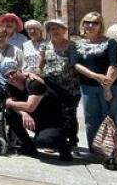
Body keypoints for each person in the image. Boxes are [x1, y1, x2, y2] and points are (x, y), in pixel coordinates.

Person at [72, 12, 117, 159]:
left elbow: (114, 66)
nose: (90, 25)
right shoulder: (77, 44)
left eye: (95, 23)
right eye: (87, 22)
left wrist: (106, 87)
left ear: (101, 25)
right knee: (91, 120)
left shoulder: (110, 43)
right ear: (82, 24)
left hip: (113, 87)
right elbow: (75, 64)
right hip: (88, 87)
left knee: (116, 119)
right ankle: (96, 153)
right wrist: (94, 75)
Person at [4, 61, 73, 161]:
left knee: (44, 141)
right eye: (7, 76)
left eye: (12, 73)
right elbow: (15, 107)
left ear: (20, 71)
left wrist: (9, 103)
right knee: (10, 114)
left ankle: (64, 147)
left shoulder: (34, 83)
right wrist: (23, 113)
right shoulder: (11, 86)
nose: (11, 77)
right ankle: (29, 147)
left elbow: (29, 107)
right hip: (36, 120)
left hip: (54, 122)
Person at [37, 18, 80, 151]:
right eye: (52, 29)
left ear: (64, 30)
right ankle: (55, 140)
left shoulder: (72, 45)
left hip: (69, 87)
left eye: (57, 28)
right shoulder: (45, 46)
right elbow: (40, 65)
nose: (54, 31)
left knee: (70, 114)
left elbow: (75, 66)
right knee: (53, 114)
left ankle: (72, 140)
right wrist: (38, 74)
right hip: (50, 87)